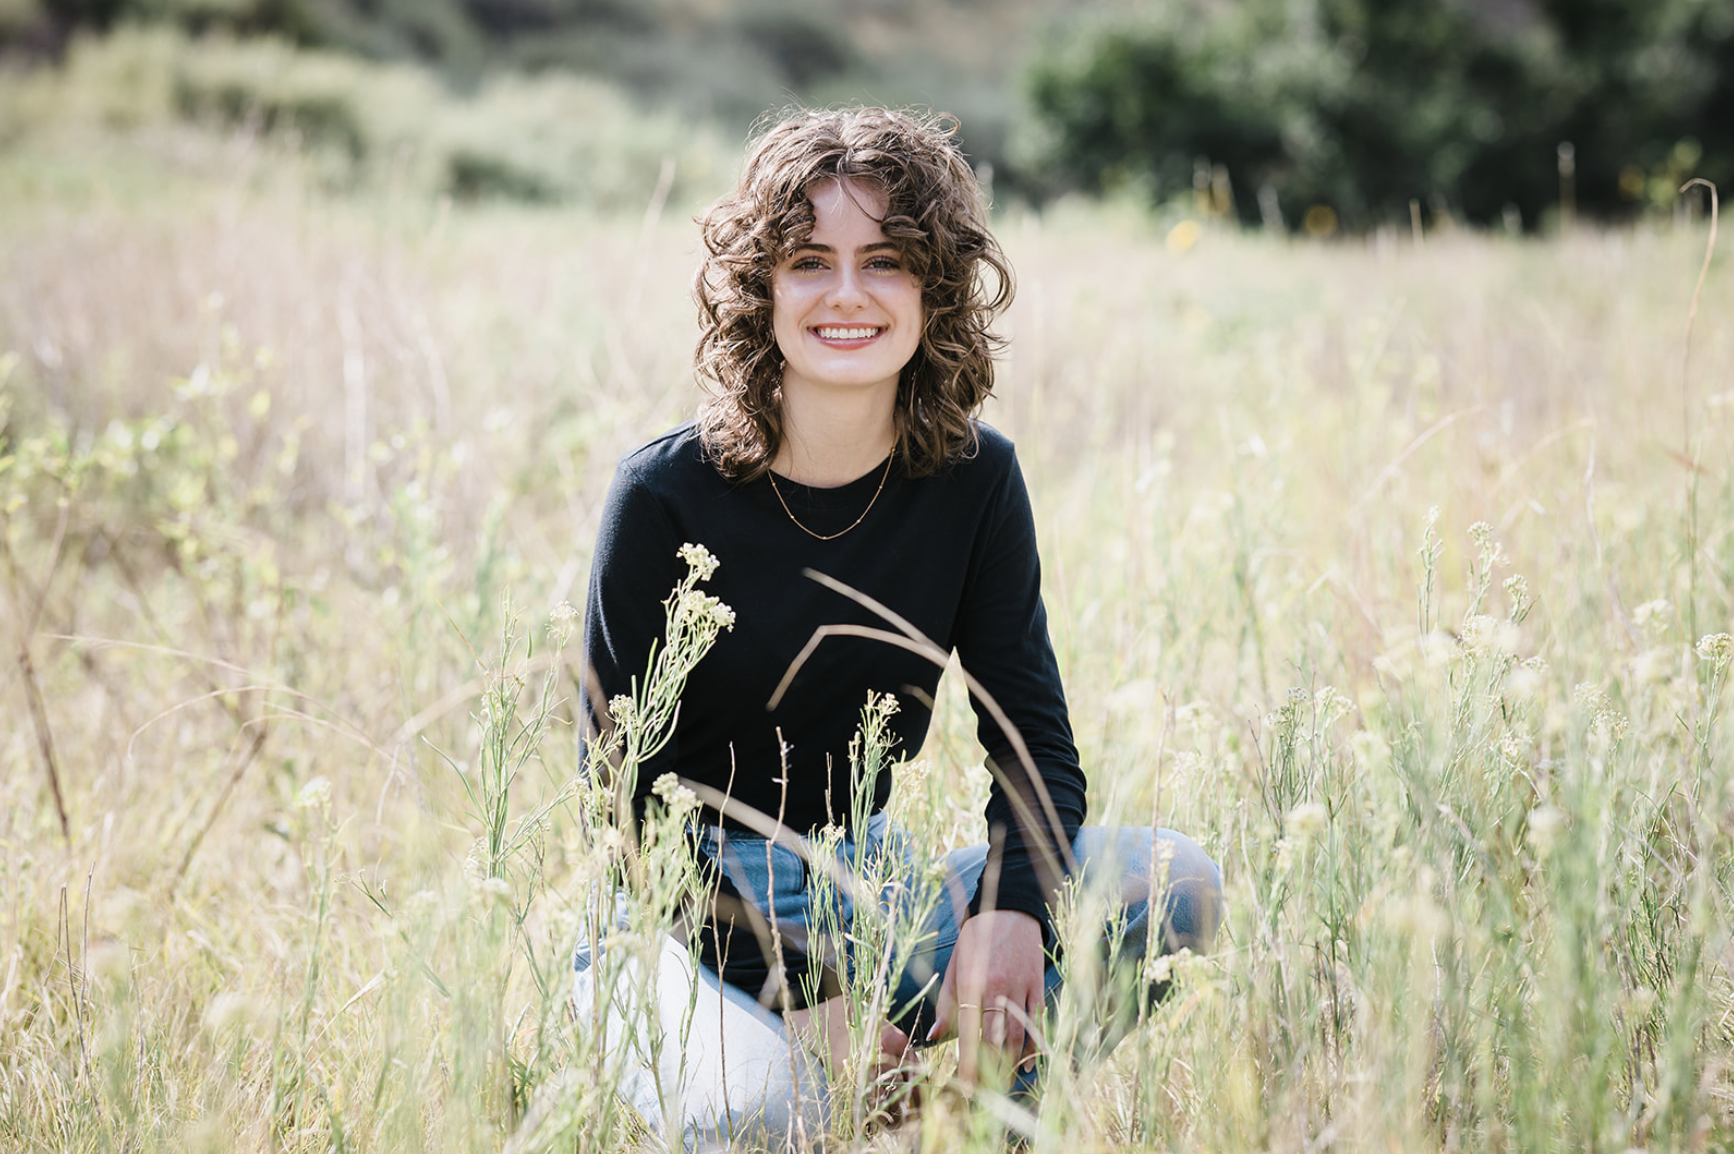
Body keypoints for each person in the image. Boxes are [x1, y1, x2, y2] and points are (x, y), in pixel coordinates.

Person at [574, 106, 1221, 1150]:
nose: (845, 294)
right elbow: (622, 803)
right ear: (760, 287)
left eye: (885, 260)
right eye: (808, 261)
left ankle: (978, 1121)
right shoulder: (664, 495)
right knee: (756, 1115)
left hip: (869, 879)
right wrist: (813, 991)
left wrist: (1014, 905)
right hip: (681, 918)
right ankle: (835, 1096)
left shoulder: (973, 479)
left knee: (1174, 885)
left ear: (935, 287)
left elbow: (1031, 739)